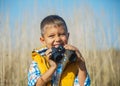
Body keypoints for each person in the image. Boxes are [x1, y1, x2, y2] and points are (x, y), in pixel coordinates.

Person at [28, 15, 91, 86]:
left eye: (62, 34)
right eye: (51, 36)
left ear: (68, 36)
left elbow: (84, 84)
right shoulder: (38, 61)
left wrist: (81, 61)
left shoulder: (74, 60)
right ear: (43, 40)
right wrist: (52, 68)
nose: (58, 39)